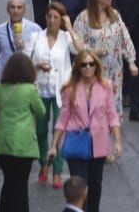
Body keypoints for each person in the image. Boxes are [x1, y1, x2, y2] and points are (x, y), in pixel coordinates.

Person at [48, 52, 121, 212]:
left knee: (95, 185)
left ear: (96, 66)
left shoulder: (105, 86)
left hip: (99, 142)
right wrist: (53, 145)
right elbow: (63, 118)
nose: (88, 67)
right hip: (76, 142)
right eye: (84, 64)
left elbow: (112, 114)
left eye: (91, 64)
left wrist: (117, 141)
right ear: (78, 67)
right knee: (81, 186)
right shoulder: (69, 89)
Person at [27, 2, 77, 188]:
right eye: (49, 17)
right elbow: (24, 61)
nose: (52, 21)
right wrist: (37, 66)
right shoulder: (36, 37)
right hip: (39, 89)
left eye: (56, 18)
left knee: (60, 130)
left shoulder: (66, 38)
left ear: (61, 20)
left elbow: (81, 50)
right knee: (40, 131)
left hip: (61, 91)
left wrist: (70, 28)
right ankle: (43, 163)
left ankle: (57, 170)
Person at [71, 0, 136, 119]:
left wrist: (131, 61)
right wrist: (92, 51)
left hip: (115, 72)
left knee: (112, 113)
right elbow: (75, 44)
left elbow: (125, 39)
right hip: (93, 71)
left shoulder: (115, 16)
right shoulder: (83, 18)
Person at [0, 52, 46, 212]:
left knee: (8, 183)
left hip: (4, 141)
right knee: (21, 185)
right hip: (23, 143)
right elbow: (41, 112)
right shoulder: (30, 90)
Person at [0, 0, 43, 77]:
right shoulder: (0, 29)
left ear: (24, 10)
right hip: (5, 76)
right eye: (12, 7)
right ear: (7, 9)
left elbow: (42, 53)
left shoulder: (35, 29)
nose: (16, 11)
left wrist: (24, 47)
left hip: (26, 76)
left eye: (19, 7)